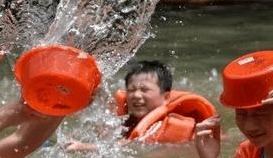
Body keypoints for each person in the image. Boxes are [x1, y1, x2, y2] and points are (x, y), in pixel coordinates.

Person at [65, 60, 216, 151]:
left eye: (144, 90)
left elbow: (134, 146)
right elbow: (107, 126)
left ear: (166, 97)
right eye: (131, 90)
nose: (136, 95)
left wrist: (84, 147)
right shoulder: (131, 121)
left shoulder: (164, 124)